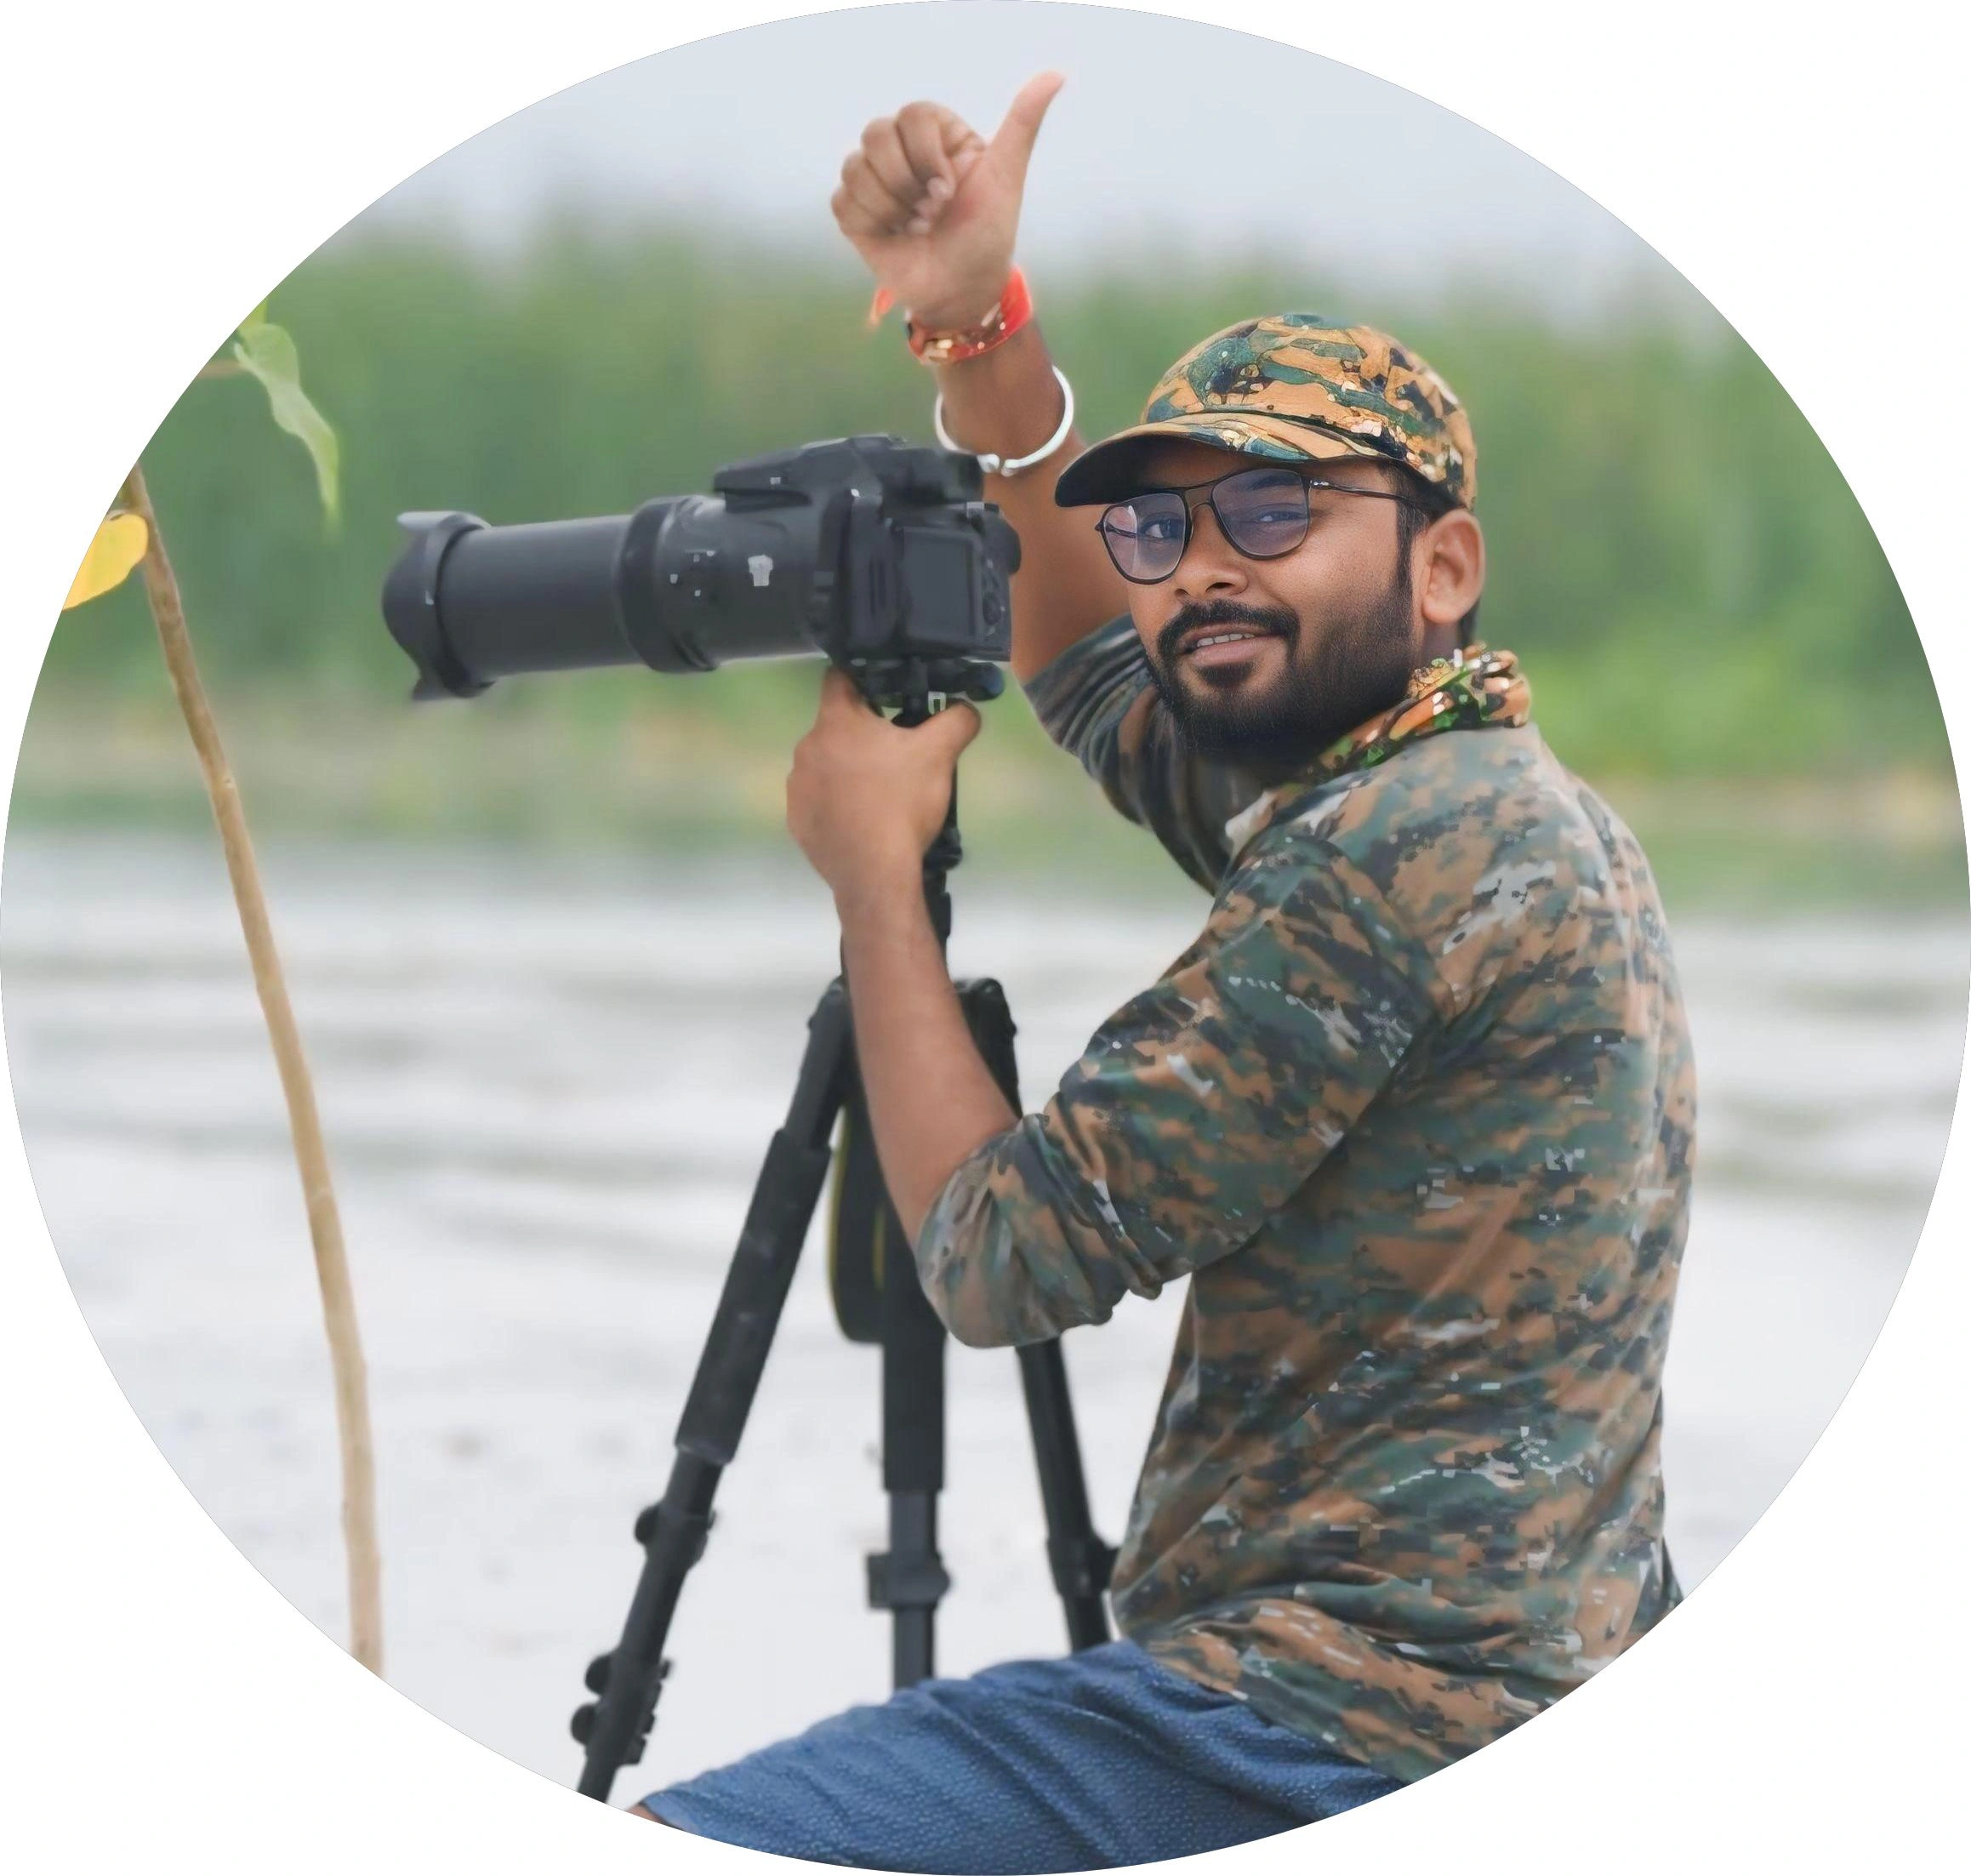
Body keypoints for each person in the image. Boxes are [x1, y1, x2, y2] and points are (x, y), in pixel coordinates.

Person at [629, 72, 1694, 1871]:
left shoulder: (1383, 861)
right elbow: (1087, 678)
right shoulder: (1471, 796)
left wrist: (876, 879)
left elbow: (995, 1254)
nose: (1203, 574)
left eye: (1273, 514)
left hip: (1338, 1725)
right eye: (1159, 531)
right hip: (1526, 1686)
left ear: (1443, 564)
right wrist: (978, 325)